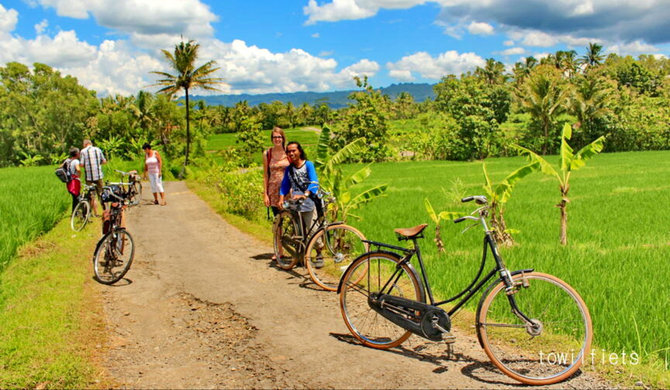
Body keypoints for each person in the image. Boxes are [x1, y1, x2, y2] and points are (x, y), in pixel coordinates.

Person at [279, 141, 320, 238]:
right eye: (289, 152)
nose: (291, 153)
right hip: (295, 203)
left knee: (313, 231)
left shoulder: (308, 165)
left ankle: (319, 251)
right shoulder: (289, 169)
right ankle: (301, 251)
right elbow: (285, 185)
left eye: (294, 150)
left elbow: (314, 182)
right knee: (299, 233)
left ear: (300, 151)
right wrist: (281, 199)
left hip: (308, 202)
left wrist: (305, 194)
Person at [263, 127, 289, 216]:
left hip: (288, 191)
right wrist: (265, 194)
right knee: (278, 218)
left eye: (279, 137)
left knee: (291, 218)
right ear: (272, 139)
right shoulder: (267, 153)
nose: (277, 139)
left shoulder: (289, 151)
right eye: (274, 137)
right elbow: (266, 175)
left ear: (283, 138)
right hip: (273, 191)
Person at [79, 139, 107, 216]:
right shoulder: (98, 149)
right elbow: (104, 161)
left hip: (89, 178)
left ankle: (95, 213)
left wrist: (86, 165)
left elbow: (81, 164)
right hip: (99, 176)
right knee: (101, 194)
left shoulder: (83, 151)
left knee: (92, 195)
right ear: (90, 143)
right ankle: (106, 211)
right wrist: (98, 163)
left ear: (85, 144)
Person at [65, 147, 81, 213]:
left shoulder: (67, 160)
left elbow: (60, 167)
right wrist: (79, 174)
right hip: (74, 181)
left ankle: (75, 211)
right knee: (77, 196)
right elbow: (78, 169)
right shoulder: (76, 161)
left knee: (75, 197)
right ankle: (76, 212)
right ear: (77, 154)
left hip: (69, 181)